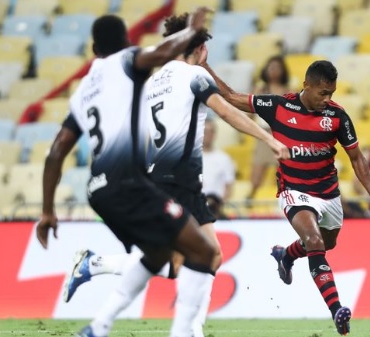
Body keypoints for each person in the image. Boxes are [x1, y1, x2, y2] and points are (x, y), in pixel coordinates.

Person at [58, 13, 289, 337]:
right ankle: (99, 270)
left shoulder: (151, 81)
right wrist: (269, 139)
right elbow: (226, 111)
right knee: (187, 261)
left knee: (210, 256)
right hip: (178, 177)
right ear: (200, 48)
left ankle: (191, 327)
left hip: (160, 175)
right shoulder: (193, 75)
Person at [35, 11, 221, 337]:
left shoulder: (82, 93)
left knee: (159, 253)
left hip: (98, 191)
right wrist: (190, 31)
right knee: (204, 252)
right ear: (126, 40)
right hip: (129, 183)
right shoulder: (127, 61)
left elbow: (55, 153)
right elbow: (162, 53)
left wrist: (48, 210)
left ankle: (99, 326)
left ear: (94, 48)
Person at [201, 59, 370, 336]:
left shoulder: (337, 116)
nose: (328, 99)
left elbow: (357, 158)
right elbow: (231, 97)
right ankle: (337, 309)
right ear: (307, 85)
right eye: (323, 93)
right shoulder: (278, 106)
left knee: (328, 242)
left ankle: (286, 255)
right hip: (294, 190)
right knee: (314, 241)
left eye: (332, 93)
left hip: (328, 193)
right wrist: (205, 65)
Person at [249, 55, 291, 200]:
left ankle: (283, 202)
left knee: (281, 174)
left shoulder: (288, 91)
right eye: (270, 67)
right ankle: (250, 201)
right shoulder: (259, 90)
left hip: (280, 135)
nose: (273, 70)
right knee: (256, 174)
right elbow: (249, 114)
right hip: (262, 135)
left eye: (277, 67)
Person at [202, 118, 236, 207]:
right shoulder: (191, 157)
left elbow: (229, 186)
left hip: (216, 207)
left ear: (215, 134)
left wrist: (219, 206)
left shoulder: (224, 159)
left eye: (211, 132)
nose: (208, 135)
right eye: (205, 131)